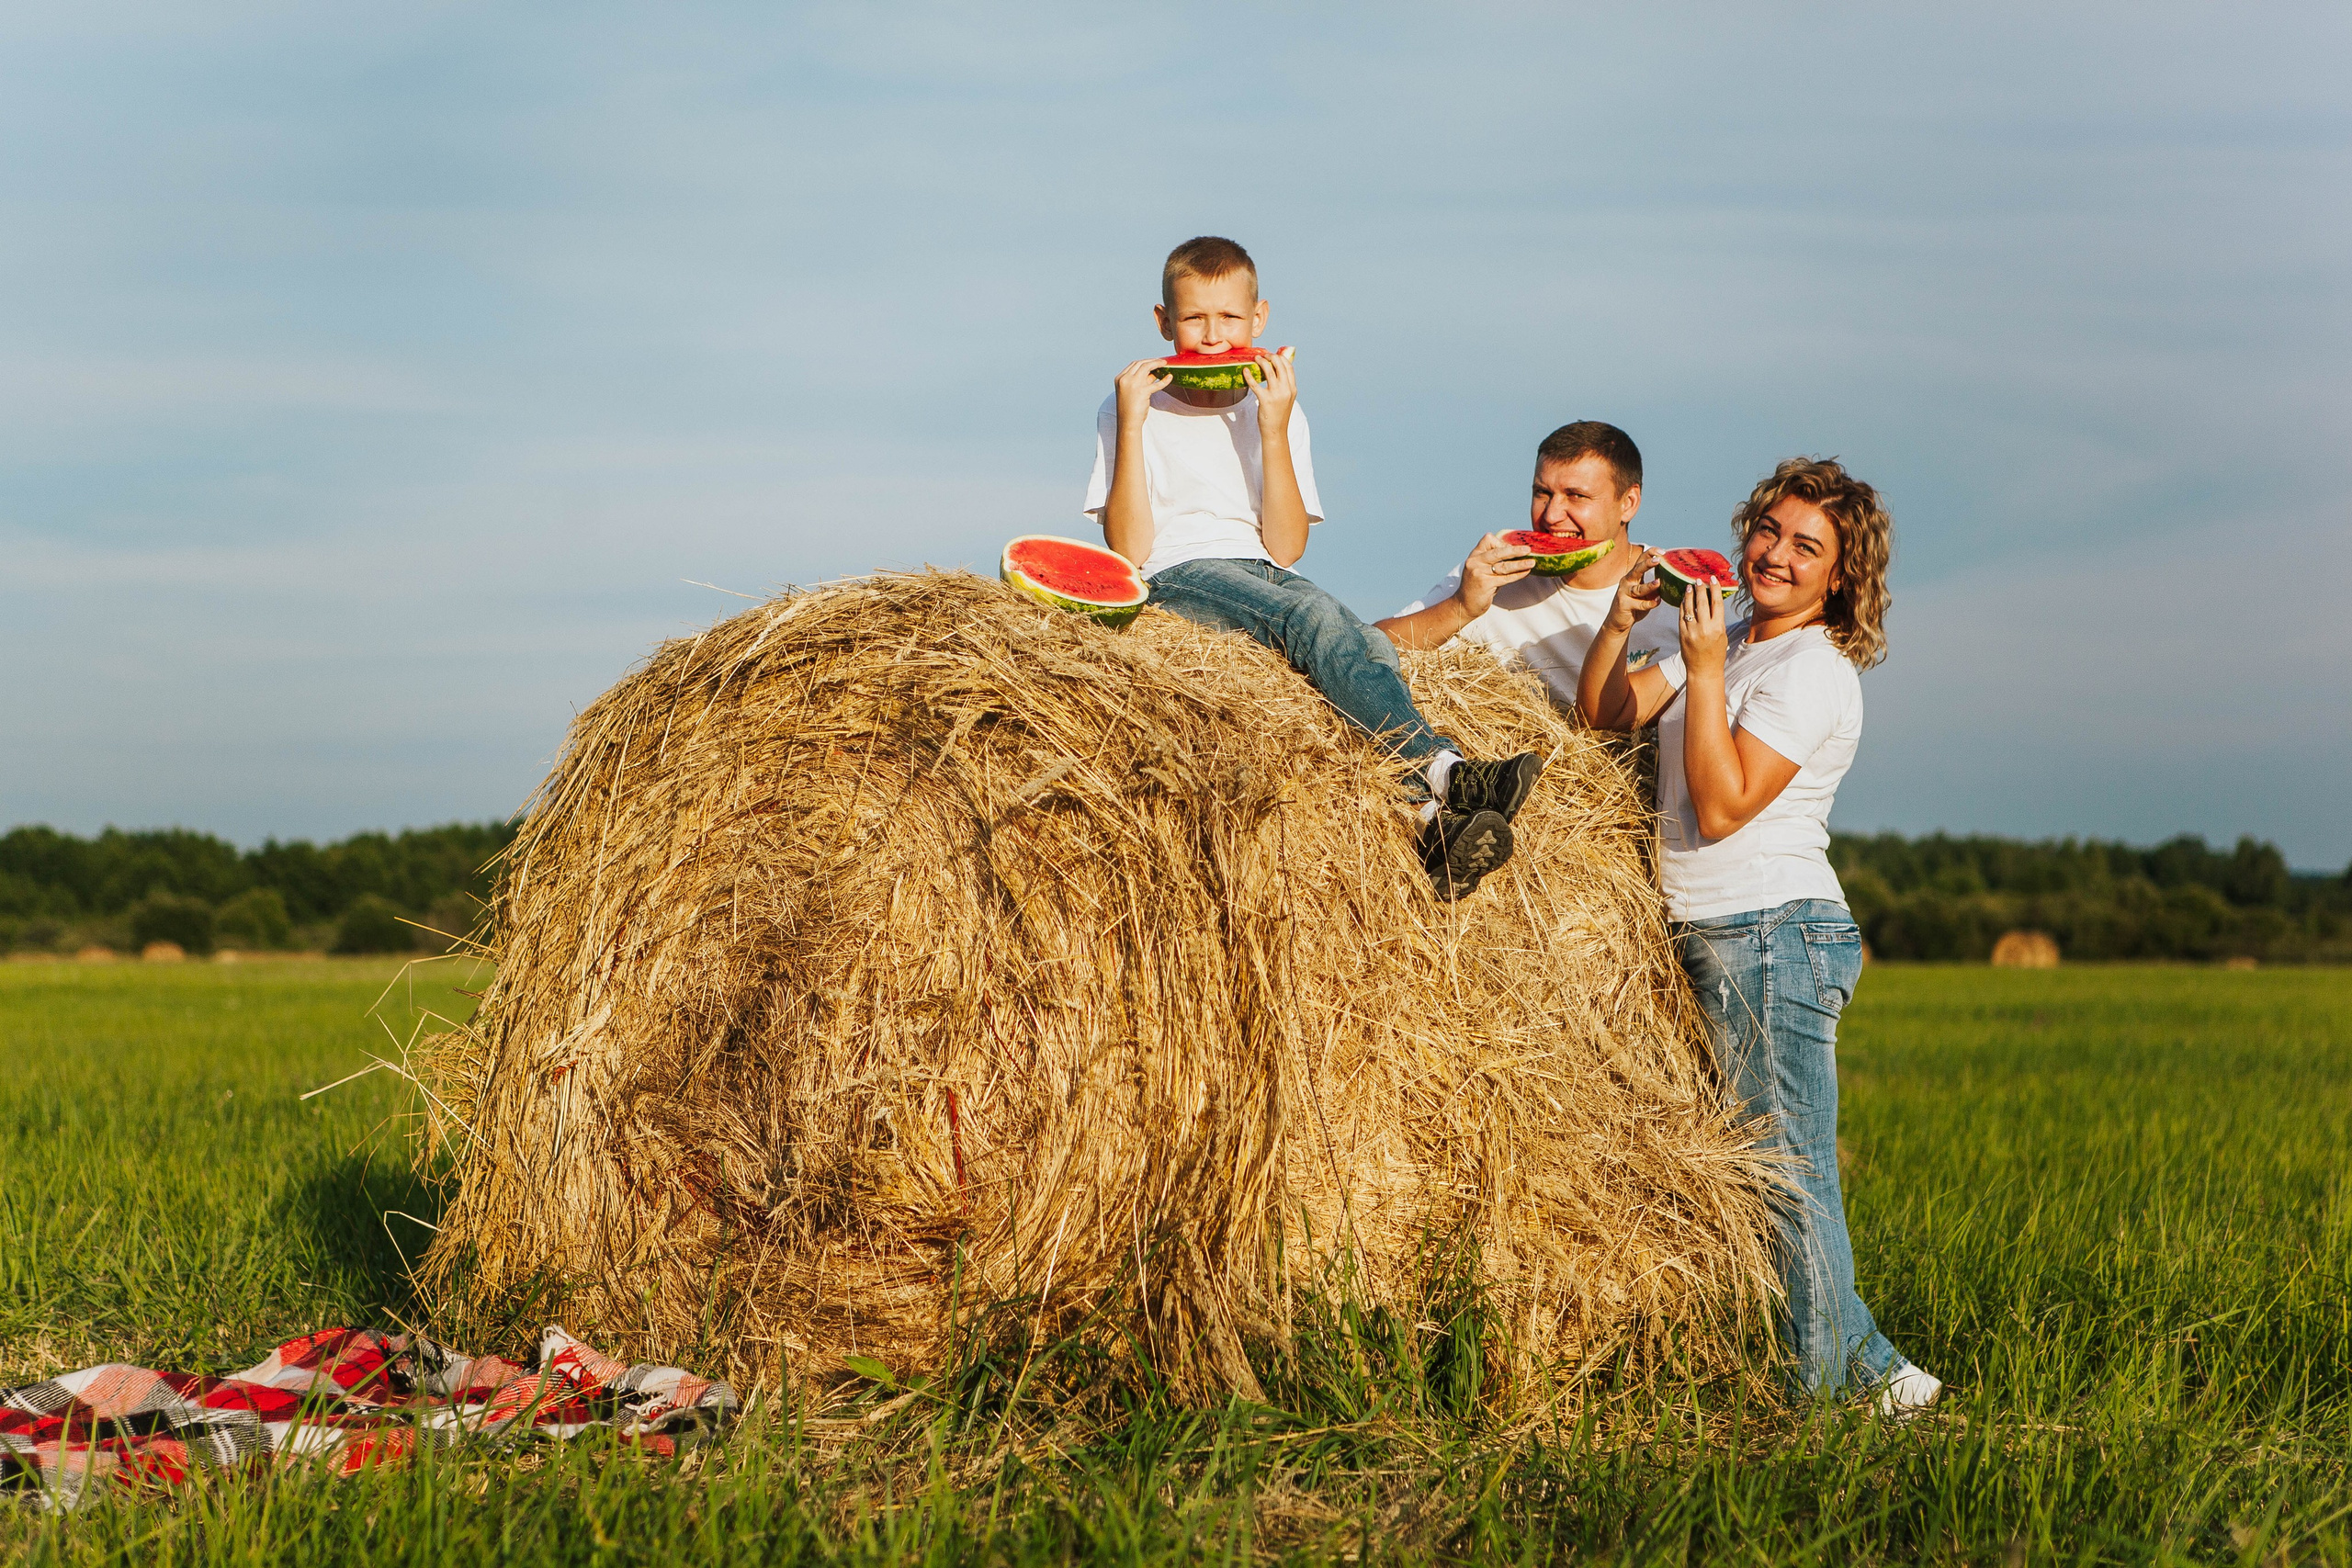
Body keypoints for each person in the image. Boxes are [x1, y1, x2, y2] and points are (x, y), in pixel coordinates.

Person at [1576, 456, 1939, 1412]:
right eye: (1768, 531)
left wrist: (1698, 673)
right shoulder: (1732, 636)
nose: (1774, 554)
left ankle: (1810, 1405)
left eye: (1805, 546)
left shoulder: (1814, 670)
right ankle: (1884, 1382)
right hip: (1721, 931)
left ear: (1840, 578)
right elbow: (1605, 713)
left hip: (1772, 931)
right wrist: (1621, 624)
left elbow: (1724, 801)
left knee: (1787, 1180)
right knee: (1771, 1174)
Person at [1085, 236, 1543, 900]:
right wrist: (1130, 422)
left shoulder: (1274, 406)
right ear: (1162, 323)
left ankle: (1427, 823)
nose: (1214, 337)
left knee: (1368, 645)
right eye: (1193, 320)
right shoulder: (1131, 409)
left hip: (1262, 572)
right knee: (1312, 616)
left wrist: (1273, 427)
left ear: (1260, 318)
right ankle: (1446, 768)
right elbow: (1126, 550)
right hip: (1175, 576)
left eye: (1230, 320)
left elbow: (1287, 546)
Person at [1375, 421, 1679, 710]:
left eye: (1576, 496)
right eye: (1542, 493)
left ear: (1628, 503)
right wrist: (1461, 607)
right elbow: (1369, 647)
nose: (1551, 515)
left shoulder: (1675, 594)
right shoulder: (1498, 573)